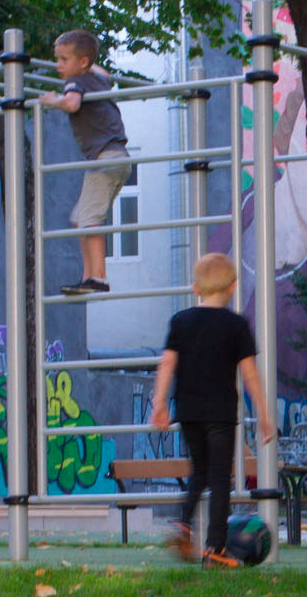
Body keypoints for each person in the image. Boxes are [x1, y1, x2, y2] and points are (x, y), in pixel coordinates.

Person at [149, 253, 276, 567]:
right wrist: (263, 413)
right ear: (233, 287)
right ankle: (214, 549)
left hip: (188, 411)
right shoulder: (236, 325)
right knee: (220, 478)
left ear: (196, 288)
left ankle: (183, 522)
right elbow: (249, 373)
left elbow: (167, 363)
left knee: (200, 470)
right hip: (220, 413)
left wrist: (159, 403)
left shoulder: (180, 321)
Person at [37, 29, 132, 295]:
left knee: (89, 219)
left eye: (64, 59)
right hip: (117, 158)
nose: (58, 65)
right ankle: (88, 276)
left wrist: (53, 100)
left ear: (82, 63)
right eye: (57, 59)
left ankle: (98, 278)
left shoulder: (75, 82)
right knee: (80, 218)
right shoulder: (97, 79)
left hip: (104, 159)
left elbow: (72, 104)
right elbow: (102, 70)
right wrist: (85, 57)